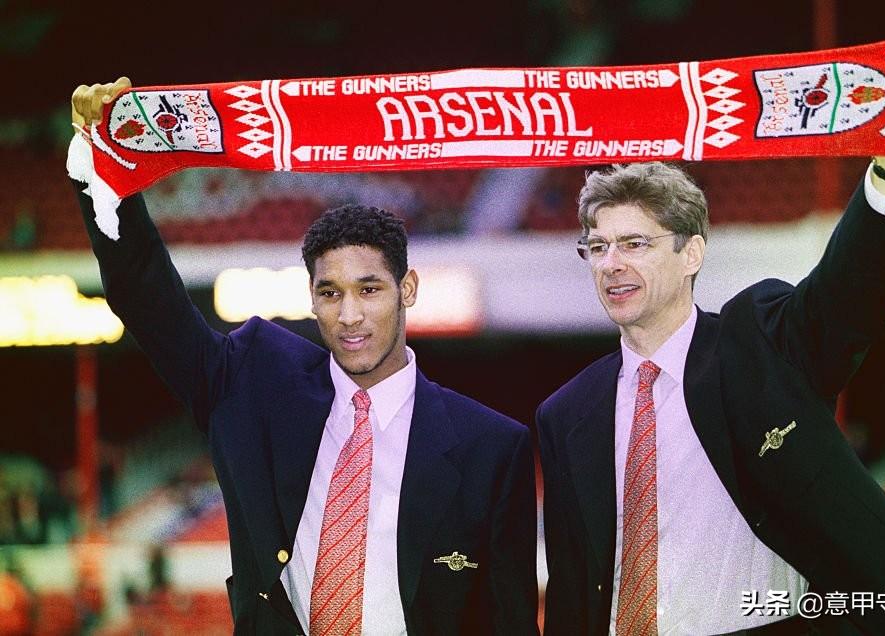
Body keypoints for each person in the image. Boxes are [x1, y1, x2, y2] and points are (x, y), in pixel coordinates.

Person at [536, 61, 885, 634]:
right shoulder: (566, 414)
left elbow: (848, 292)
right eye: (598, 247)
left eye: (634, 243)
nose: (611, 263)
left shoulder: (760, 345)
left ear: (692, 253)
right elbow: (571, 590)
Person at [70, 78, 538, 635]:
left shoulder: (491, 447)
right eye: (330, 293)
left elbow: (509, 623)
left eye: (370, 289)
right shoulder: (255, 386)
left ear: (407, 289)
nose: (350, 315)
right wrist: (103, 162)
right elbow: (149, 301)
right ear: (311, 298)